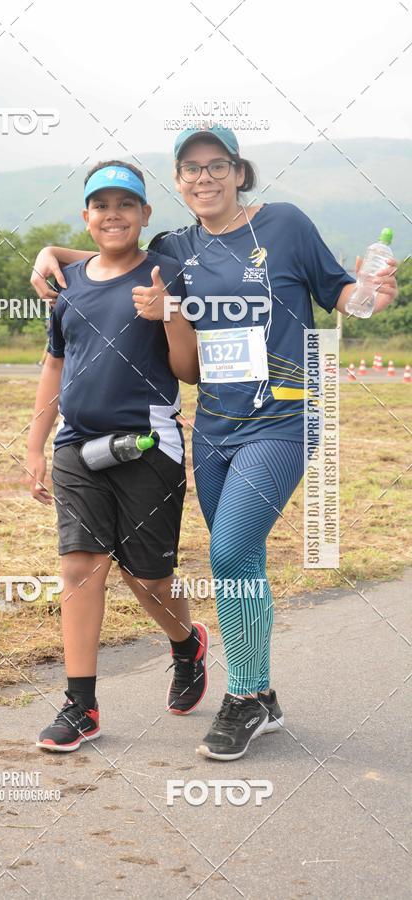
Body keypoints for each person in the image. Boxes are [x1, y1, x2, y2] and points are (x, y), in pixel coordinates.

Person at [30, 127, 399, 761]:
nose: (205, 178)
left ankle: (246, 697)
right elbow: (111, 250)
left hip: (283, 416)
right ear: (177, 183)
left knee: (231, 550)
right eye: (191, 169)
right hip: (216, 424)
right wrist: (48, 250)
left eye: (217, 165)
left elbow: (343, 292)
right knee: (237, 561)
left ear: (239, 171)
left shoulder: (283, 225)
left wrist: (369, 294)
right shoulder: (177, 247)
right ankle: (262, 696)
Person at [26, 160, 209, 752]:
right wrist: (35, 444)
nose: (113, 215)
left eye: (126, 205)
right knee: (81, 568)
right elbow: (55, 364)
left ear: (145, 215)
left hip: (150, 445)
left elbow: (190, 369)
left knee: (148, 576)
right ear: (86, 216)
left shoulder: (170, 273)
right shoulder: (68, 283)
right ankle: (81, 705)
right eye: (101, 206)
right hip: (77, 446)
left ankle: (186, 644)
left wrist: (168, 312)